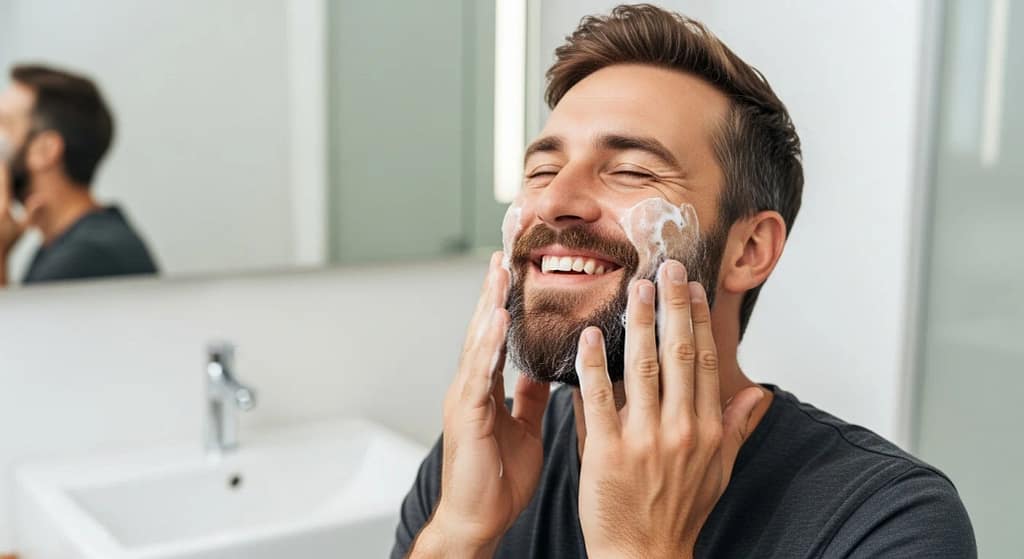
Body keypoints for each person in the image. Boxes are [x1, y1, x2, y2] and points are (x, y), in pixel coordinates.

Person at [392, 5, 975, 558]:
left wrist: (640, 545)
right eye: (542, 169)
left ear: (748, 250)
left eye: (630, 171)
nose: (554, 200)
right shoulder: (482, 456)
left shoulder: (889, 519)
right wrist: (460, 533)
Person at [0, 64, 157, 286]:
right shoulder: (69, 244)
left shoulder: (89, 255)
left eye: (3, 123)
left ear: (46, 150)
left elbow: (13, 321)